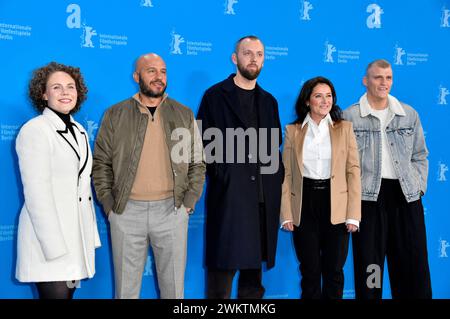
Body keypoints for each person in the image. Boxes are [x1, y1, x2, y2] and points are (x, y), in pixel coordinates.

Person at [92, 53, 205, 299]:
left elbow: (197, 162)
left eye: (163, 71)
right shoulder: (115, 114)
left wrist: (188, 203)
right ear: (136, 76)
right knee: (126, 292)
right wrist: (110, 207)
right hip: (126, 212)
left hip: (172, 212)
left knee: (174, 292)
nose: (158, 77)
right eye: (151, 71)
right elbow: (100, 164)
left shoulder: (183, 114)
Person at [197, 35, 284, 299]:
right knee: (220, 281)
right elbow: (202, 146)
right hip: (230, 200)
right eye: (247, 53)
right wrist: (225, 175)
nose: (254, 59)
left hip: (261, 203)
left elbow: (274, 147)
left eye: (259, 54)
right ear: (235, 58)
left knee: (253, 284)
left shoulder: (269, 102)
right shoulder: (214, 96)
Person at [343, 59, 432, 299]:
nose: (384, 83)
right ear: (365, 81)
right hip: (368, 200)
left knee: (412, 265)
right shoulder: (350, 116)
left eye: (389, 77)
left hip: (406, 197)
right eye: (378, 77)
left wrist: (419, 188)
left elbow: (420, 155)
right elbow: (342, 163)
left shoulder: (408, 113)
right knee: (370, 268)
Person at [15, 62, 101, 299]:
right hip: (48, 243)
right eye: (56, 87)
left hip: (75, 239)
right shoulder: (35, 130)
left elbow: (83, 188)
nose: (65, 92)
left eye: (70, 87)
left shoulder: (80, 131)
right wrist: (54, 249)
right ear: (43, 94)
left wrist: (89, 237)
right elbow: (36, 194)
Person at [280, 76, 361, 299]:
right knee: (310, 271)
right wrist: (286, 213)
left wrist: (353, 214)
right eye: (318, 96)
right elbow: (285, 175)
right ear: (307, 101)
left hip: (336, 204)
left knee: (334, 271)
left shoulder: (344, 129)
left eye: (329, 96)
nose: (325, 101)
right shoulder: (293, 131)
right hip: (304, 205)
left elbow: (353, 171)